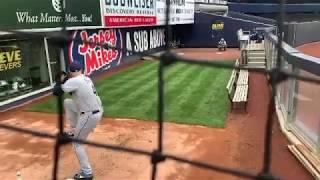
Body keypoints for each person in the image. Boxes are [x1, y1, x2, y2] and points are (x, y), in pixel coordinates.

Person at [53, 61, 103, 180]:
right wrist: (65, 80)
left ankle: (87, 173)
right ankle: (74, 129)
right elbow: (72, 92)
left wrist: (60, 81)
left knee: (77, 144)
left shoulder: (74, 81)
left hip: (89, 115)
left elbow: (56, 92)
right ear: (81, 70)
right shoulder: (86, 79)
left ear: (70, 72)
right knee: (68, 103)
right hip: (97, 110)